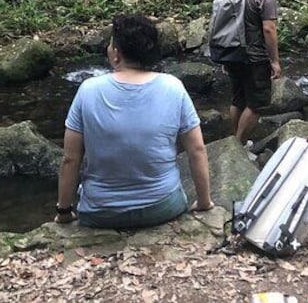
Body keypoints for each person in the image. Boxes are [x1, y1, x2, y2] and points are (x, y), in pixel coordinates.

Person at [54, 14, 213, 228]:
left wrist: (64, 211)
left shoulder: (88, 90)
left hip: (101, 212)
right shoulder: (173, 86)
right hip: (163, 207)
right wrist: (204, 202)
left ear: (116, 55)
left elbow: (70, 159)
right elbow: (197, 149)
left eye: (111, 44)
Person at [225, 0, 281, 143]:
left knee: (238, 99)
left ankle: (234, 140)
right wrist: (274, 60)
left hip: (230, 51)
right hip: (254, 56)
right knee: (258, 104)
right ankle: (239, 145)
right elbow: (269, 29)